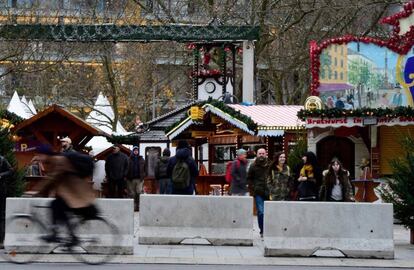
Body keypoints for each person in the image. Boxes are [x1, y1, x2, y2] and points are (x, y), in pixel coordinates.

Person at [36, 146, 97, 246]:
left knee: (56, 205)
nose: (39, 158)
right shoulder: (52, 161)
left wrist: (36, 191)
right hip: (69, 191)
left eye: (40, 155)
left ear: (46, 155)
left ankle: (62, 235)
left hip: (76, 192)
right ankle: (66, 235)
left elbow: (52, 177)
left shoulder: (59, 160)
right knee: (57, 206)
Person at [247, 148, 270, 237]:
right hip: (258, 192)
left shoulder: (270, 164)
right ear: (257, 154)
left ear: (265, 154)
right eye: (259, 153)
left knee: (269, 212)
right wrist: (253, 187)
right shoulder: (253, 166)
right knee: (261, 212)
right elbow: (249, 178)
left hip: (269, 191)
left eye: (263, 153)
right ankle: (262, 230)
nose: (261, 155)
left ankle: (268, 229)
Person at [126, 146, 146, 211]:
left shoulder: (142, 159)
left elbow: (146, 168)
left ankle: (139, 206)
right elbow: (126, 168)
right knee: (132, 193)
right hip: (131, 179)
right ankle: (134, 206)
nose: (136, 151)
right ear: (133, 151)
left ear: (138, 151)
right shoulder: (129, 159)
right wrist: (126, 176)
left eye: (137, 150)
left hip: (139, 179)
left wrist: (144, 175)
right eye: (134, 150)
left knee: (139, 192)